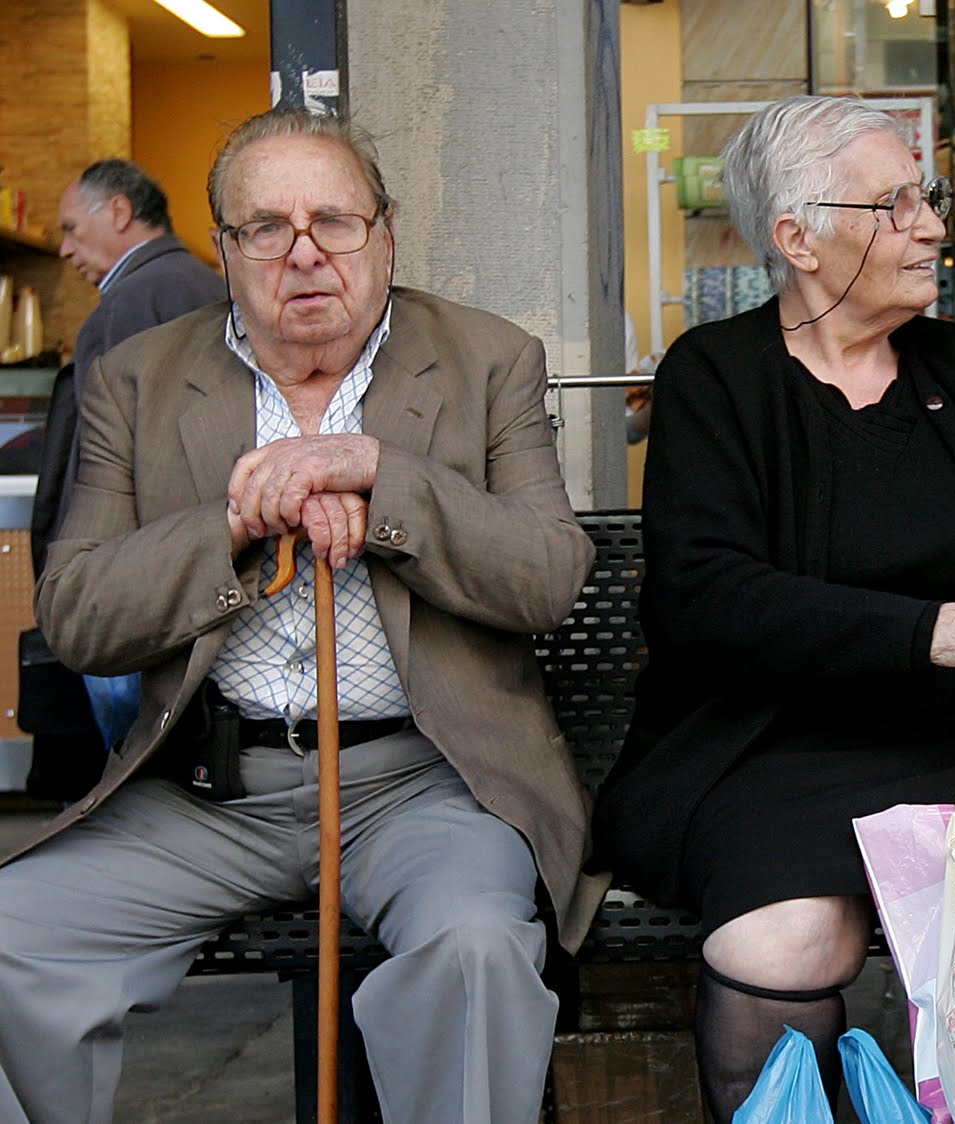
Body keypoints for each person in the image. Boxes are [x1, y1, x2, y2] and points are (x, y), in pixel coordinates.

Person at [0, 108, 604, 1123]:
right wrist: (235, 521)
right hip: (206, 790)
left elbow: (547, 574)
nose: (306, 252)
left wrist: (379, 475)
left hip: (421, 783)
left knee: (477, 949)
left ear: (386, 233)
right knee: (11, 929)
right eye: (266, 226)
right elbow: (80, 613)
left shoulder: (487, 358)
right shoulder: (136, 380)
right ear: (225, 250)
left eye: (336, 219)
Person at [593, 95, 955, 1121]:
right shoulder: (717, 376)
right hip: (766, 742)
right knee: (783, 936)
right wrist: (933, 630)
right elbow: (706, 596)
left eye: (925, 198)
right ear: (798, 239)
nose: (930, 225)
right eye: (893, 203)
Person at [31, 161, 227, 773]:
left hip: (136, 580)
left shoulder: (137, 300)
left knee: (133, 770)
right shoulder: (194, 282)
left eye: (70, 227)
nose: (64, 248)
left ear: (118, 211)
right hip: (184, 570)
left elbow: (121, 457)